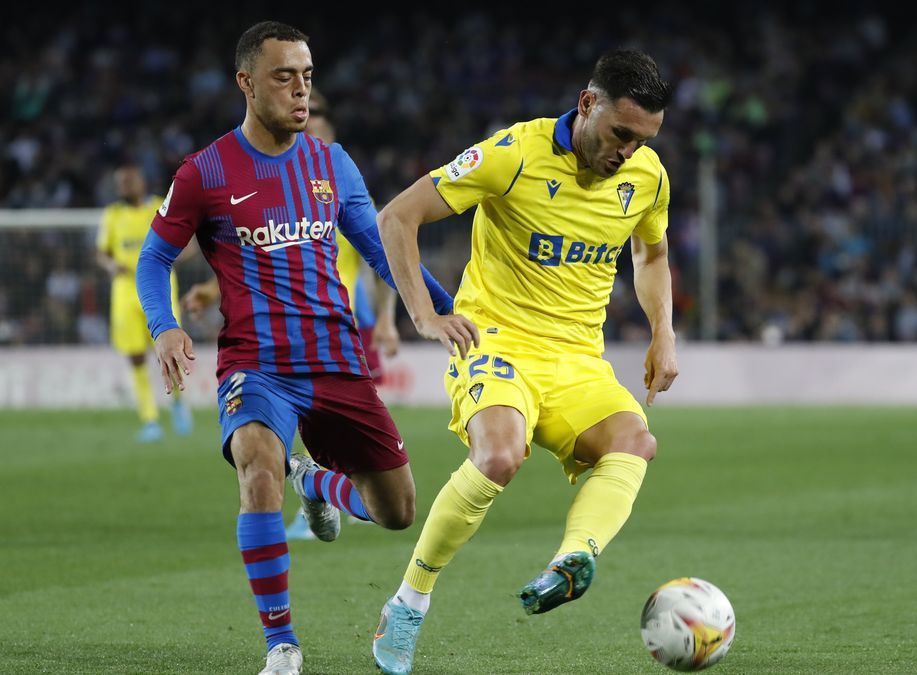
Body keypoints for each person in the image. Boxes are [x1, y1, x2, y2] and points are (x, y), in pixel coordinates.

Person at [135, 21, 466, 675]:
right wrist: (164, 323)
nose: (300, 90)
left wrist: (449, 309)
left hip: (337, 361)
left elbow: (378, 246)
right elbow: (154, 256)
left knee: (397, 510)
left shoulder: (332, 164)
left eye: (307, 76)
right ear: (247, 82)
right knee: (257, 470)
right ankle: (282, 646)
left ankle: (313, 479)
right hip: (256, 364)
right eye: (284, 76)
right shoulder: (204, 172)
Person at [371, 49, 678, 674]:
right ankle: (410, 601)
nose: (629, 152)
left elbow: (651, 256)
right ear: (587, 104)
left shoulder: (647, 177)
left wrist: (662, 332)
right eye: (622, 134)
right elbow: (397, 216)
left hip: (577, 360)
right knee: (499, 456)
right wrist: (424, 315)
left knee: (634, 441)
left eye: (644, 140)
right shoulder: (512, 154)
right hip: (498, 344)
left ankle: (573, 559)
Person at [178, 93, 402, 541]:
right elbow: (255, 261)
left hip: (342, 329)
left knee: (393, 504)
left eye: (318, 118)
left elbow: (382, 262)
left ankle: (314, 483)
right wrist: (206, 289)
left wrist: (392, 320)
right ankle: (301, 499)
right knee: (268, 447)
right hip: (274, 341)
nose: (307, 123)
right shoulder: (264, 182)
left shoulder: (341, 181)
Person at [97, 164, 192, 442]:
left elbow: (189, 244)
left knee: (170, 349)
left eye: (130, 180)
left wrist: (168, 260)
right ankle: (149, 419)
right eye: (121, 182)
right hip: (125, 289)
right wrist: (111, 265)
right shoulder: (112, 215)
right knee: (136, 355)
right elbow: (102, 253)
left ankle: (177, 401)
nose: (126, 186)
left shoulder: (160, 206)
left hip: (159, 287)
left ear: (142, 182)